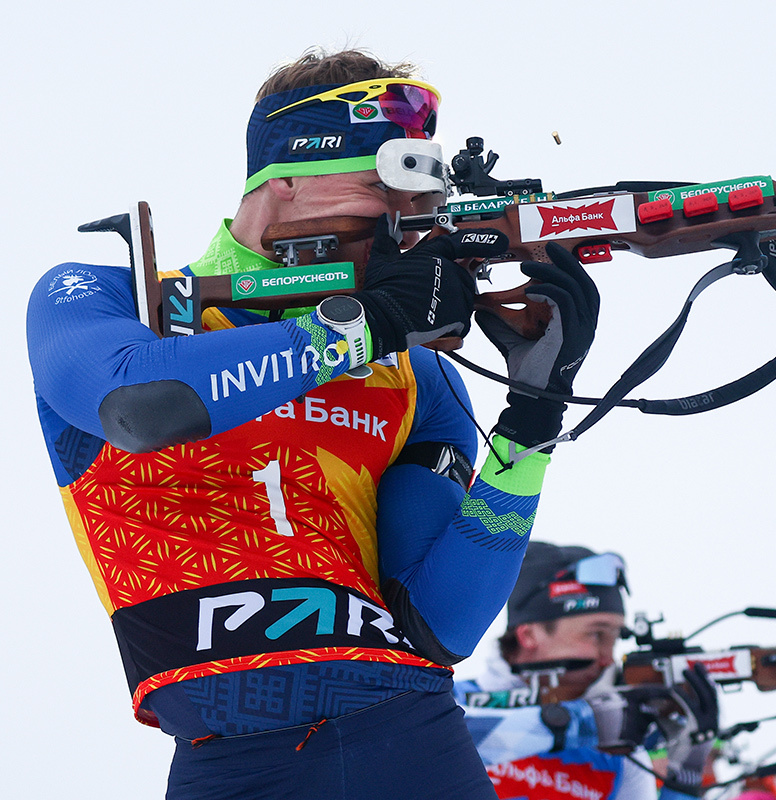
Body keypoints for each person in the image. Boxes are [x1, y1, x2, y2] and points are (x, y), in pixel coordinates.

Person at [27, 48, 599, 800]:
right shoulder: (107, 300)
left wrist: (532, 422)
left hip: (414, 740)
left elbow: (438, 627)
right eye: (378, 188)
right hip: (227, 763)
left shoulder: (418, 375)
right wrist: (363, 325)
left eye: (419, 206)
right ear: (283, 182)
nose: (403, 227)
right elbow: (139, 408)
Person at [456, 542, 720, 799]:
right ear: (529, 635)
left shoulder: (617, 752)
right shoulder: (448, 699)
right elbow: (435, 742)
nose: (608, 659)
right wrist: (585, 722)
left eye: (615, 639)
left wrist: (685, 776)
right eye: (596, 635)